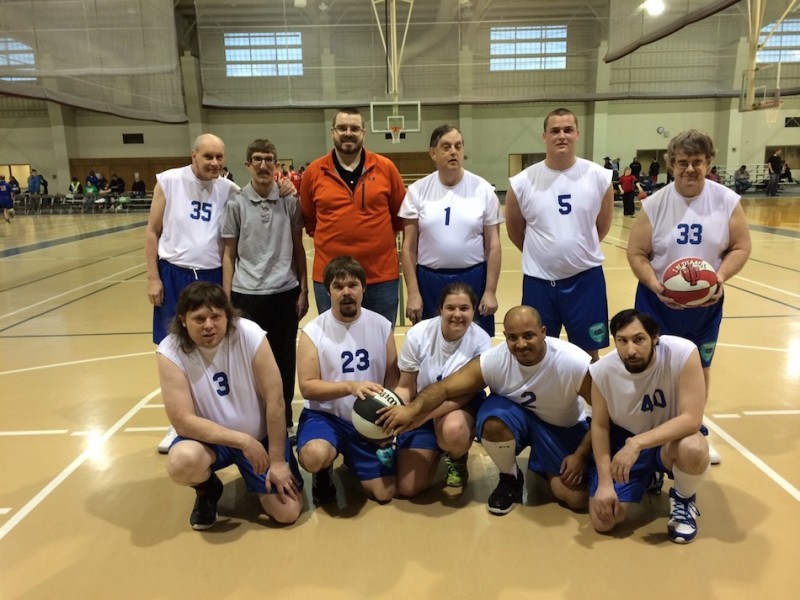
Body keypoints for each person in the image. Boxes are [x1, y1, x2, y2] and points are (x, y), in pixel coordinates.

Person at [379, 305, 593, 516]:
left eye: (529, 335)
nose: (521, 344)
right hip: (516, 420)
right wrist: (412, 410)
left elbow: (604, 413)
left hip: (560, 428)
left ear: (543, 332)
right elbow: (444, 388)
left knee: (576, 499)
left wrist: (581, 455)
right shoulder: (495, 360)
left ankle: (545, 462)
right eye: (512, 337)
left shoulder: (572, 362)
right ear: (505, 336)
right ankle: (510, 477)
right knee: (492, 420)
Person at [627, 129, 751, 465]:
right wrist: (655, 284)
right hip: (658, 302)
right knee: (652, 366)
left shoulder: (726, 201)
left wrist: (720, 278)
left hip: (705, 305)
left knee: (700, 367)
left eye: (697, 162)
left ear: (708, 162)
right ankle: (648, 431)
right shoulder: (655, 204)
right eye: (683, 162)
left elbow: (741, 246)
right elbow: (637, 252)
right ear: (671, 164)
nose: (690, 169)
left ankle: (692, 429)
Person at [157, 282, 303, 530]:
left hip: (261, 439)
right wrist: (242, 441)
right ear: (183, 320)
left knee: (287, 513)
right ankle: (207, 491)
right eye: (199, 318)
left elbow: (275, 399)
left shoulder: (249, 334)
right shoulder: (170, 350)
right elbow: (182, 420)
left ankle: (270, 472)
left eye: (216, 316)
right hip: (214, 443)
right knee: (182, 461)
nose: (209, 325)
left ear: (228, 315)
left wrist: (277, 460)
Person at [145, 134, 240, 453]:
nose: (215, 163)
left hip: (212, 276)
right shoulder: (169, 181)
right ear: (193, 156)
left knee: (214, 348)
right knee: (175, 349)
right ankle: (178, 422)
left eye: (220, 157)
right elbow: (152, 232)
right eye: (208, 157)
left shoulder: (228, 189)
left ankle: (215, 415)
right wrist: (153, 277)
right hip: (174, 274)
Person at [589, 309, 710, 544]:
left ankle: (683, 499)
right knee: (603, 521)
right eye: (622, 341)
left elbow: (692, 419)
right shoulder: (602, 371)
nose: (630, 350)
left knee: (693, 448)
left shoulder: (683, 352)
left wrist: (636, 444)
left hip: (668, 438)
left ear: (655, 337)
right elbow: (600, 426)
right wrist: (605, 484)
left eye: (639, 339)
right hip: (626, 439)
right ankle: (648, 477)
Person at [505, 107, 614, 361]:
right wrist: (544, 255)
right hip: (539, 283)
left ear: (578, 134)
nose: (561, 136)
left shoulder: (599, 177)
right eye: (555, 131)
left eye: (568, 130)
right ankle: (543, 401)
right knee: (535, 353)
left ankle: (588, 402)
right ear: (544, 136)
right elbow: (514, 230)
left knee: (588, 354)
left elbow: (602, 225)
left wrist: (574, 253)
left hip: (586, 281)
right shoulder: (522, 182)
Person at [222, 138, 309, 444]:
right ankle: (255, 423)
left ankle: (283, 423)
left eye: (268, 159)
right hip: (246, 295)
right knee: (250, 364)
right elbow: (229, 255)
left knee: (285, 361)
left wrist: (304, 290)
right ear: (247, 165)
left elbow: (299, 248)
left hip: (284, 292)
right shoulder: (235, 204)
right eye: (256, 159)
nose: (262, 164)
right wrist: (226, 298)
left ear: (276, 164)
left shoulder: (290, 201)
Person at [295, 256, 399, 505]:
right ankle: (323, 470)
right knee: (313, 456)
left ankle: (353, 457)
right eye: (338, 287)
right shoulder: (313, 331)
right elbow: (308, 387)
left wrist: (390, 423)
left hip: (369, 420)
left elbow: (393, 382)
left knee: (385, 494)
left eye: (352, 285)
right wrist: (351, 387)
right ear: (328, 292)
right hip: (326, 416)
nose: (346, 292)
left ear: (364, 288)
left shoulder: (381, 325)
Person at [299, 107, 406, 325]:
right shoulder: (314, 172)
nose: (348, 133)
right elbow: (310, 221)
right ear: (332, 132)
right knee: (333, 346)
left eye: (355, 128)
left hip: (380, 278)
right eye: (342, 128)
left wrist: (376, 241)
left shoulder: (386, 168)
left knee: (380, 346)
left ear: (363, 134)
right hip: (330, 279)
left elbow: (399, 217)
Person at [399, 124, 503, 336]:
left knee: (475, 348)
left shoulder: (483, 190)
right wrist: (413, 293)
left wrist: (490, 291)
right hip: (429, 281)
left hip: (474, 279)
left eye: (458, 146)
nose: (453, 151)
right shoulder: (417, 191)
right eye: (446, 146)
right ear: (433, 153)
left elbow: (493, 246)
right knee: (429, 346)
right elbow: (409, 249)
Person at [394, 283, 492, 496]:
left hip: (459, 406)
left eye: (464, 308)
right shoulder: (418, 334)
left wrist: (422, 415)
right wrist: (393, 412)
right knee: (408, 488)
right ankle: (436, 447)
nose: (457, 314)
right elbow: (405, 386)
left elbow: (466, 394)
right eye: (451, 308)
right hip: (421, 405)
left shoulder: (481, 340)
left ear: (473, 311)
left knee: (453, 430)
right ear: (440, 309)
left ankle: (456, 456)